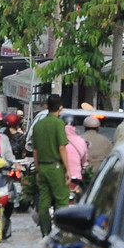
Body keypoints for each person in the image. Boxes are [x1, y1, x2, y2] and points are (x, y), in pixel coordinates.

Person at [32, 95, 71, 236]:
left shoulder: (38, 125)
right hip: (56, 168)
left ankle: (46, 234)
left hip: (42, 168)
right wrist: (68, 169)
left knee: (43, 203)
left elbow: (35, 151)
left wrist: (38, 169)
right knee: (62, 202)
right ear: (60, 108)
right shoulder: (59, 124)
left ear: (46, 106)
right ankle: (60, 235)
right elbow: (62, 147)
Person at [64, 121, 89, 192]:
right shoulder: (81, 141)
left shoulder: (57, 140)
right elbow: (84, 160)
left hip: (61, 176)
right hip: (76, 177)